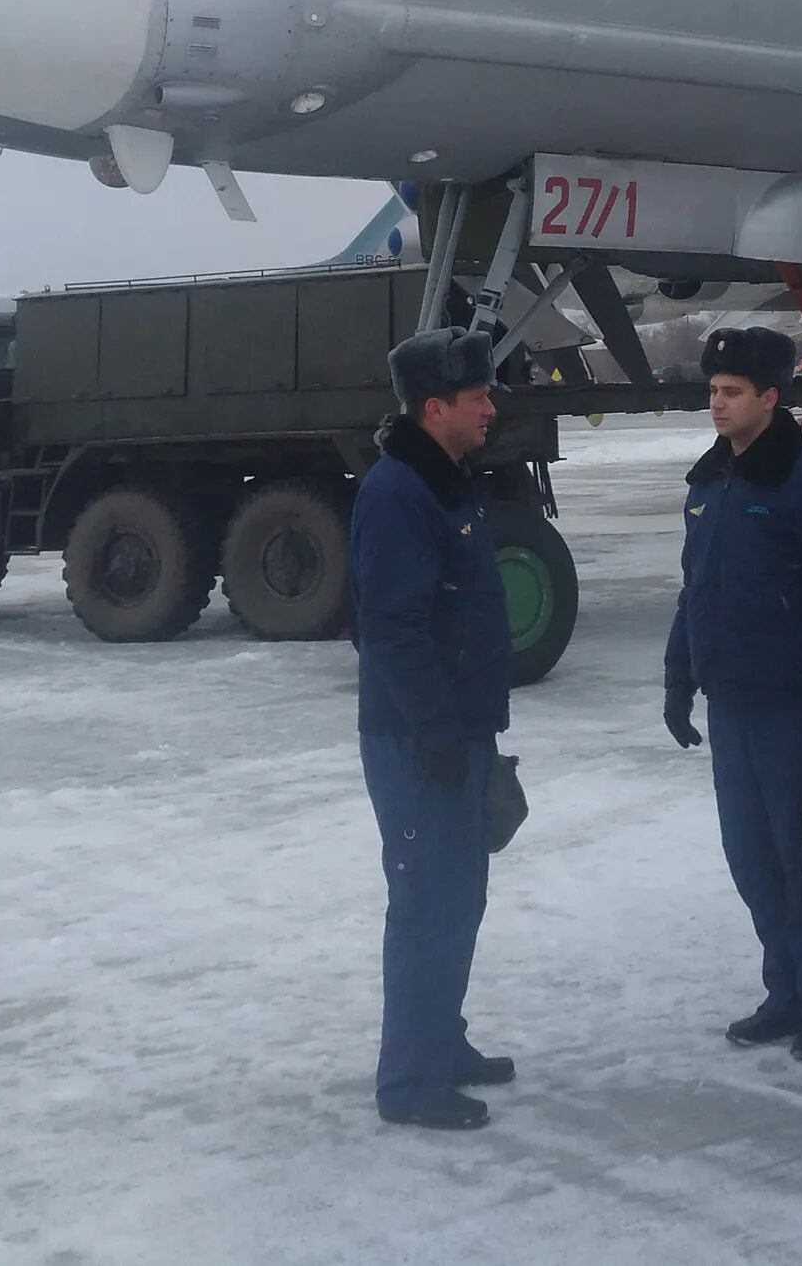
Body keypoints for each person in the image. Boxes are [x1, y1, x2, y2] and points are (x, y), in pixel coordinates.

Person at [662, 326, 802, 1059]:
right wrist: (679, 674)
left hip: (791, 705)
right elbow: (697, 588)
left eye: (731, 393)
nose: (716, 405)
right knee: (751, 857)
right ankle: (784, 990)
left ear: (770, 398)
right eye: (712, 392)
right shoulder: (709, 482)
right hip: (731, 701)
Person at [350, 326, 517, 1131]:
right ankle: (410, 1080)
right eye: (478, 395)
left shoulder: (444, 481)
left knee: (459, 897)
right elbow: (392, 628)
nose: (491, 405)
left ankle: (440, 1042)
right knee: (425, 902)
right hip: (419, 741)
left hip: (455, 731)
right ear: (435, 406)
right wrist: (439, 733)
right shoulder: (397, 493)